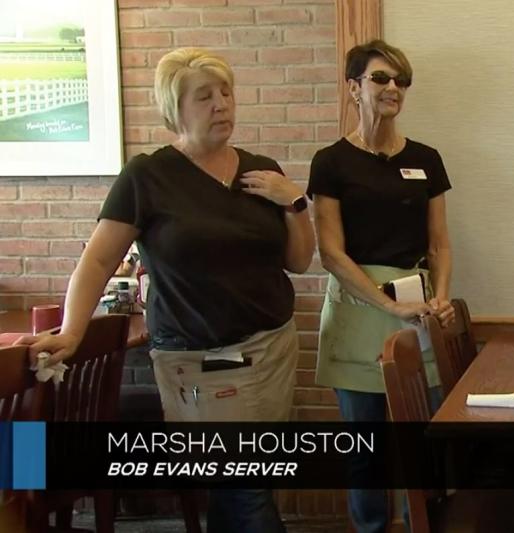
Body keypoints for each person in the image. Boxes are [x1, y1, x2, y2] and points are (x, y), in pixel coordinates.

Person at [18, 47, 315, 533]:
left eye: (226, 92)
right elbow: (97, 260)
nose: (222, 104)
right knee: (246, 484)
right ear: (175, 110)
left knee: (242, 482)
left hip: (273, 349)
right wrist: (72, 331)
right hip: (199, 360)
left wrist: (295, 201)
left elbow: (298, 261)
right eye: (205, 96)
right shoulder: (147, 176)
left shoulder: (261, 169)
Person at [308, 39, 455, 533]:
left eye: (400, 80)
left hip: (416, 307)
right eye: (380, 78)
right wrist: (387, 307)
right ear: (354, 87)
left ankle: (428, 526)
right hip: (356, 306)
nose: (393, 88)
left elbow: (440, 245)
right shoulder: (330, 162)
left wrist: (438, 298)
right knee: (365, 450)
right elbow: (331, 252)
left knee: (426, 442)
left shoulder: (427, 159)